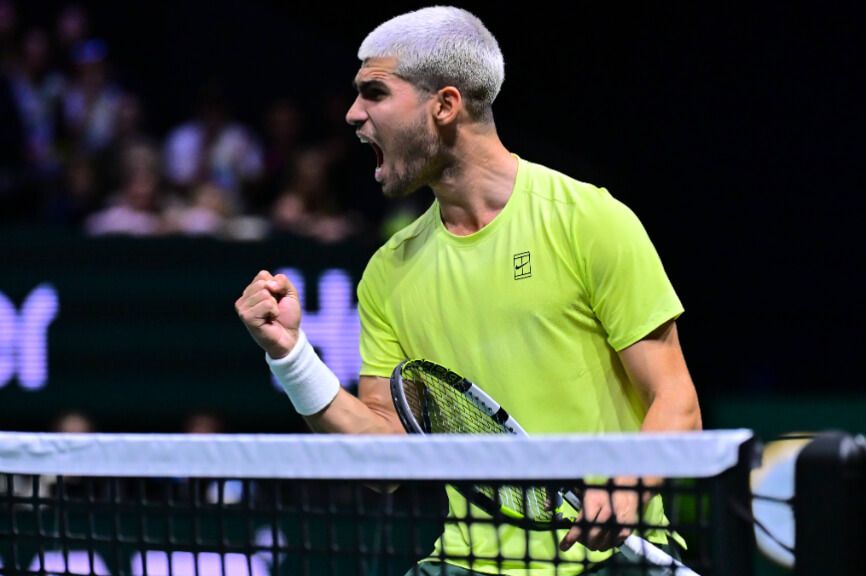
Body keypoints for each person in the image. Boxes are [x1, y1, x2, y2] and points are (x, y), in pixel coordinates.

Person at [235, 6, 700, 575]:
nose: (354, 115)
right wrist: (292, 358)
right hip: (468, 561)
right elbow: (387, 466)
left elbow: (676, 401)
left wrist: (628, 487)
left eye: (375, 93)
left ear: (445, 106)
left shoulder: (588, 220)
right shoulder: (389, 271)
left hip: (609, 560)